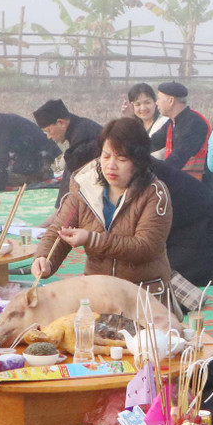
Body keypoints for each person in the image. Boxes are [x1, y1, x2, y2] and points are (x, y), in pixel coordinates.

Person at [31, 117, 172, 292]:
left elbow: (145, 247)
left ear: (138, 161)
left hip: (143, 292)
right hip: (98, 290)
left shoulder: (154, 193)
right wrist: (44, 257)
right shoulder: (85, 187)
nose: (111, 166)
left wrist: (92, 239)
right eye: (106, 156)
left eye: (121, 159)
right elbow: (59, 230)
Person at [151, 158, 213, 289]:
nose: (112, 165)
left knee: (160, 281)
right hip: (183, 228)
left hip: (212, 228)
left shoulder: (145, 176)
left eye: (120, 157)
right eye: (110, 157)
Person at [33, 98, 104, 207]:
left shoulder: (83, 135)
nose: (49, 136)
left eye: (49, 131)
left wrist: (59, 209)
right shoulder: (80, 127)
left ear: (61, 122)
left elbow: (70, 177)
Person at [154, 82, 211, 181]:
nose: (156, 103)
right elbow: (152, 142)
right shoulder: (173, 122)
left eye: (159, 98)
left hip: (196, 190)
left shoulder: (195, 124)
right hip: (181, 183)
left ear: (171, 101)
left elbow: (178, 158)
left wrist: (152, 171)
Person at [123, 83, 171, 154]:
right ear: (132, 106)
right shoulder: (134, 126)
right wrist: (128, 119)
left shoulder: (165, 123)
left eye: (147, 103)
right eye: (138, 104)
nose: (143, 108)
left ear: (155, 102)